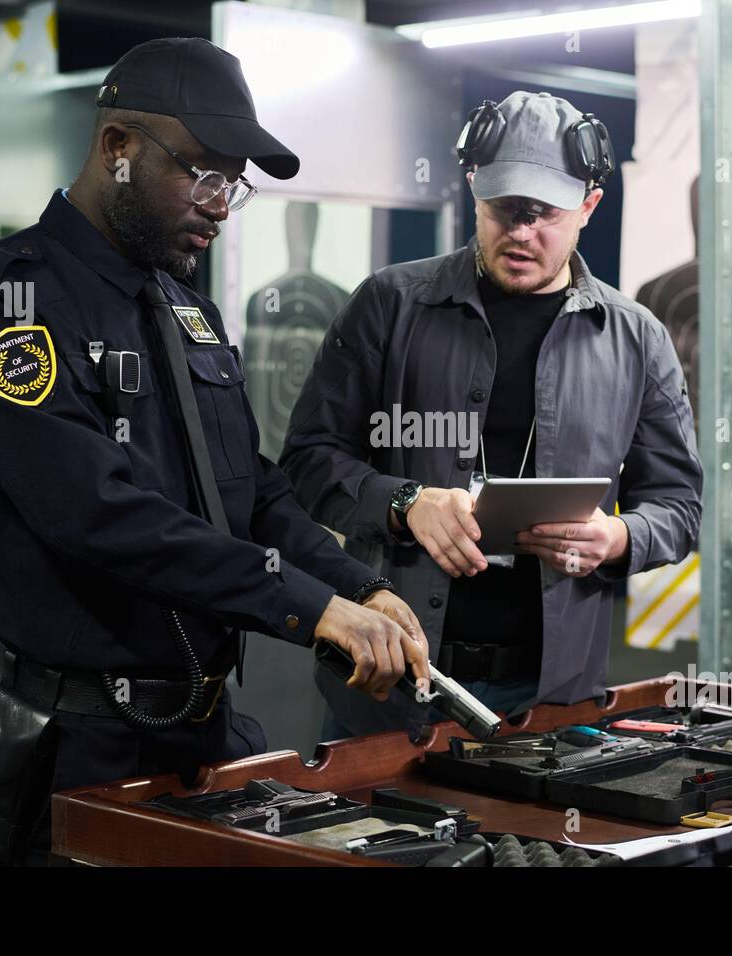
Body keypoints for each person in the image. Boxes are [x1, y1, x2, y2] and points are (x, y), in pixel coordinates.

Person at [0, 37, 428, 866]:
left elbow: (251, 490)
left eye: (234, 182)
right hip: (79, 746)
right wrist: (311, 610)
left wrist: (358, 586)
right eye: (202, 172)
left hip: (202, 732)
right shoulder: (3, 298)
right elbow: (99, 515)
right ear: (117, 147)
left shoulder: (185, 309)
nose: (221, 203)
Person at [280, 91, 703, 740]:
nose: (522, 232)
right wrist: (405, 503)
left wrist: (618, 538)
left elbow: (678, 504)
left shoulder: (638, 339)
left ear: (589, 206)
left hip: (552, 702)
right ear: (474, 188)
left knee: (536, 846)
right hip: (388, 684)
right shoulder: (388, 307)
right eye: (506, 209)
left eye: (546, 214)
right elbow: (307, 461)